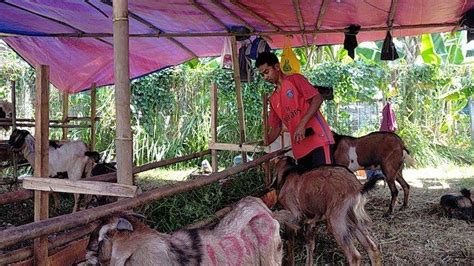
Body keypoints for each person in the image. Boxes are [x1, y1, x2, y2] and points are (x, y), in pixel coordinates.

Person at [256, 52, 334, 172]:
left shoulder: (295, 79)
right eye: (262, 75)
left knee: (324, 182)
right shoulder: (273, 98)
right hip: (300, 149)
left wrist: (302, 124)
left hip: (317, 141)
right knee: (306, 189)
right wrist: (261, 145)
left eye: (267, 72)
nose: (265, 77)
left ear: (277, 67)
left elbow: (317, 98)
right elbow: (276, 128)